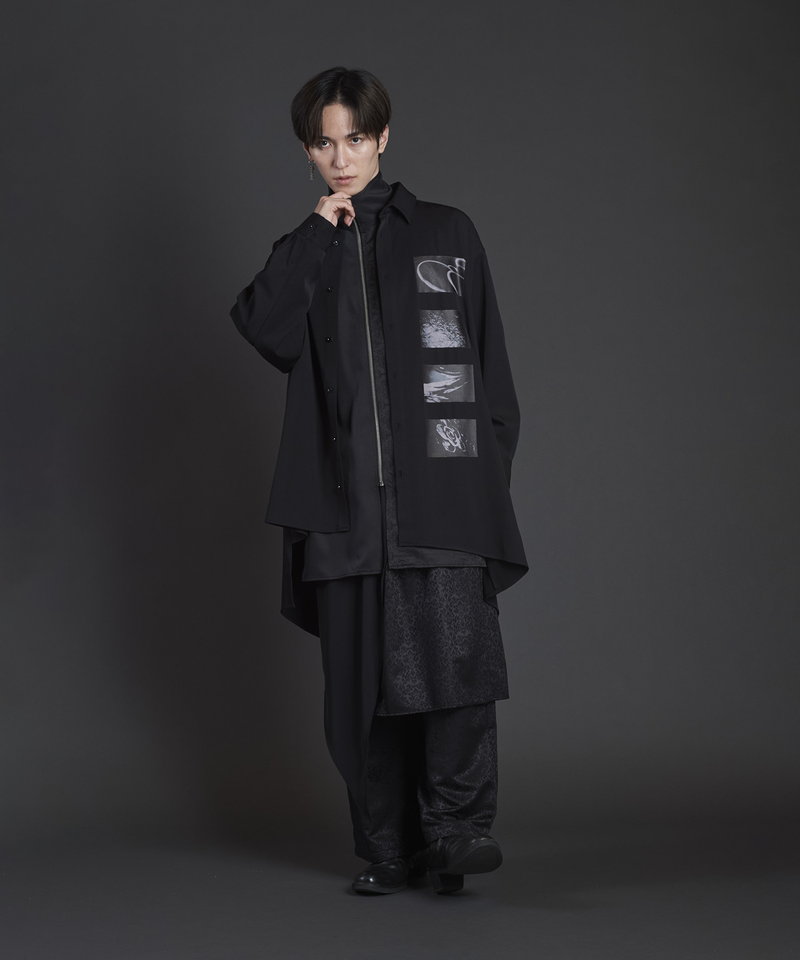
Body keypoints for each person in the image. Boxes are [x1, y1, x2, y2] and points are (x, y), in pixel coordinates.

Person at [230, 66, 528, 895]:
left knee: (456, 671)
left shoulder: (446, 232)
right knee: (362, 690)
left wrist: (480, 483)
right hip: (346, 513)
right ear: (308, 151)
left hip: (445, 505)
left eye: (355, 138)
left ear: (382, 137)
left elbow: (489, 372)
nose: (342, 157)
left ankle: (456, 835)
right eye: (324, 143)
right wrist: (313, 237)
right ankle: (388, 847)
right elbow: (263, 329)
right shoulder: (308, 249)